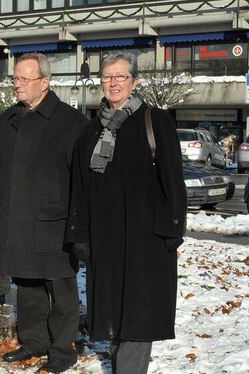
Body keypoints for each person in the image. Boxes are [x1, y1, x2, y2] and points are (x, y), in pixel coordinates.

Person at [67, 52, 186, 374]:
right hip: (105, 240)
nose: (114, 83)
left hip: (145, 239)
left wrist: (172, 230)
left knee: (138, 314)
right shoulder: (90, 131)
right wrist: (80, 235)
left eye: (121, 77)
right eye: (107, 77)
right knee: (115, 315)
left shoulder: (155, 120)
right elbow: (80, 185)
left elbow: (172, 179)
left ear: (134, 81)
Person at [0, 53, 87, 373]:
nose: (17, 84)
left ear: (44, 82)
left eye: (24, 79)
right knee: (27, 285)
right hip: (16, 218)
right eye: (15, 79)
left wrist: (77, 223)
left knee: (61, 288)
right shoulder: (5, 120)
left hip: (55, 220)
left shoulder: (71, 122)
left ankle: (62, 349)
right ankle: (33, 342)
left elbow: (82, 179)